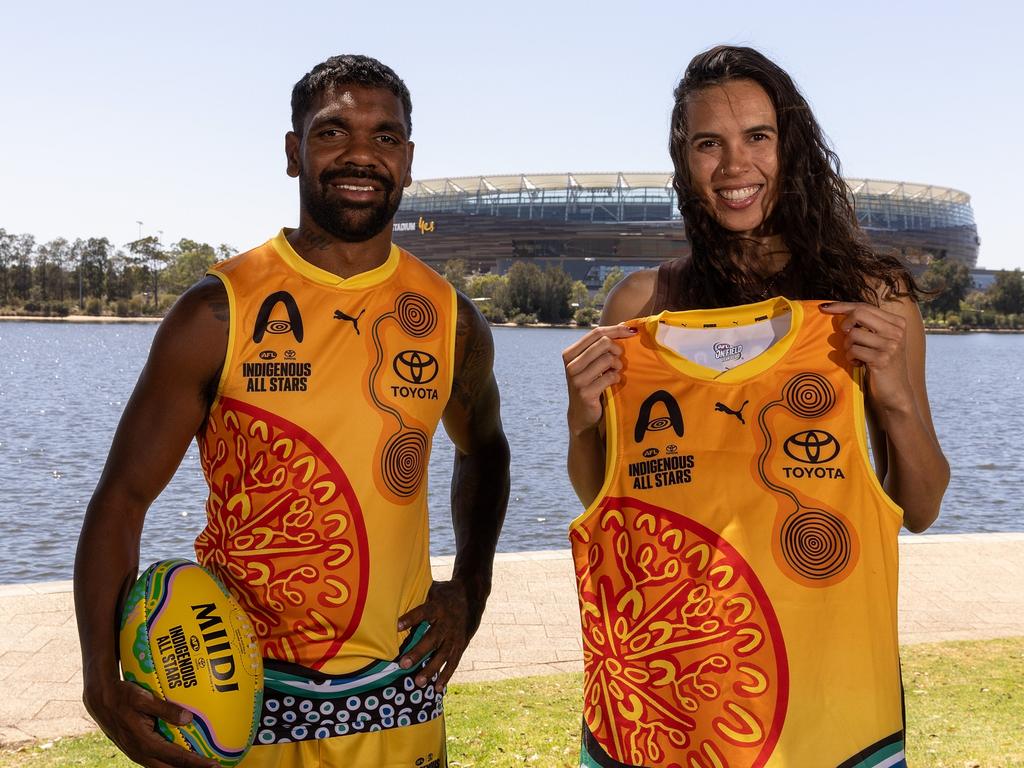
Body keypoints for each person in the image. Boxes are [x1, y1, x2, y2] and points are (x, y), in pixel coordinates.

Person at [74, 54, 510, 768]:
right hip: (238, 700)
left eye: (385, 137)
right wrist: (100, 681)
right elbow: (121, 498)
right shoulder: (218, 311)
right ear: (292, 151)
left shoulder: (449, 319)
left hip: (397, 701)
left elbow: (485, 448)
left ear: (407, 159)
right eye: (333, 132)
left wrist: (470, 586)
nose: (362, 155)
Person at [563, 46, 948, 767]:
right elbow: (612, 504)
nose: (735, 166)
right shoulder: (643, 306)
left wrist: (893, 400)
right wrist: (583, 421)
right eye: (709, 144)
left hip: (830, 708)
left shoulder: (870, 298)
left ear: (791, 145)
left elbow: (919, 509)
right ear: (685, 162)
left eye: (757, 138)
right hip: (669, 708)